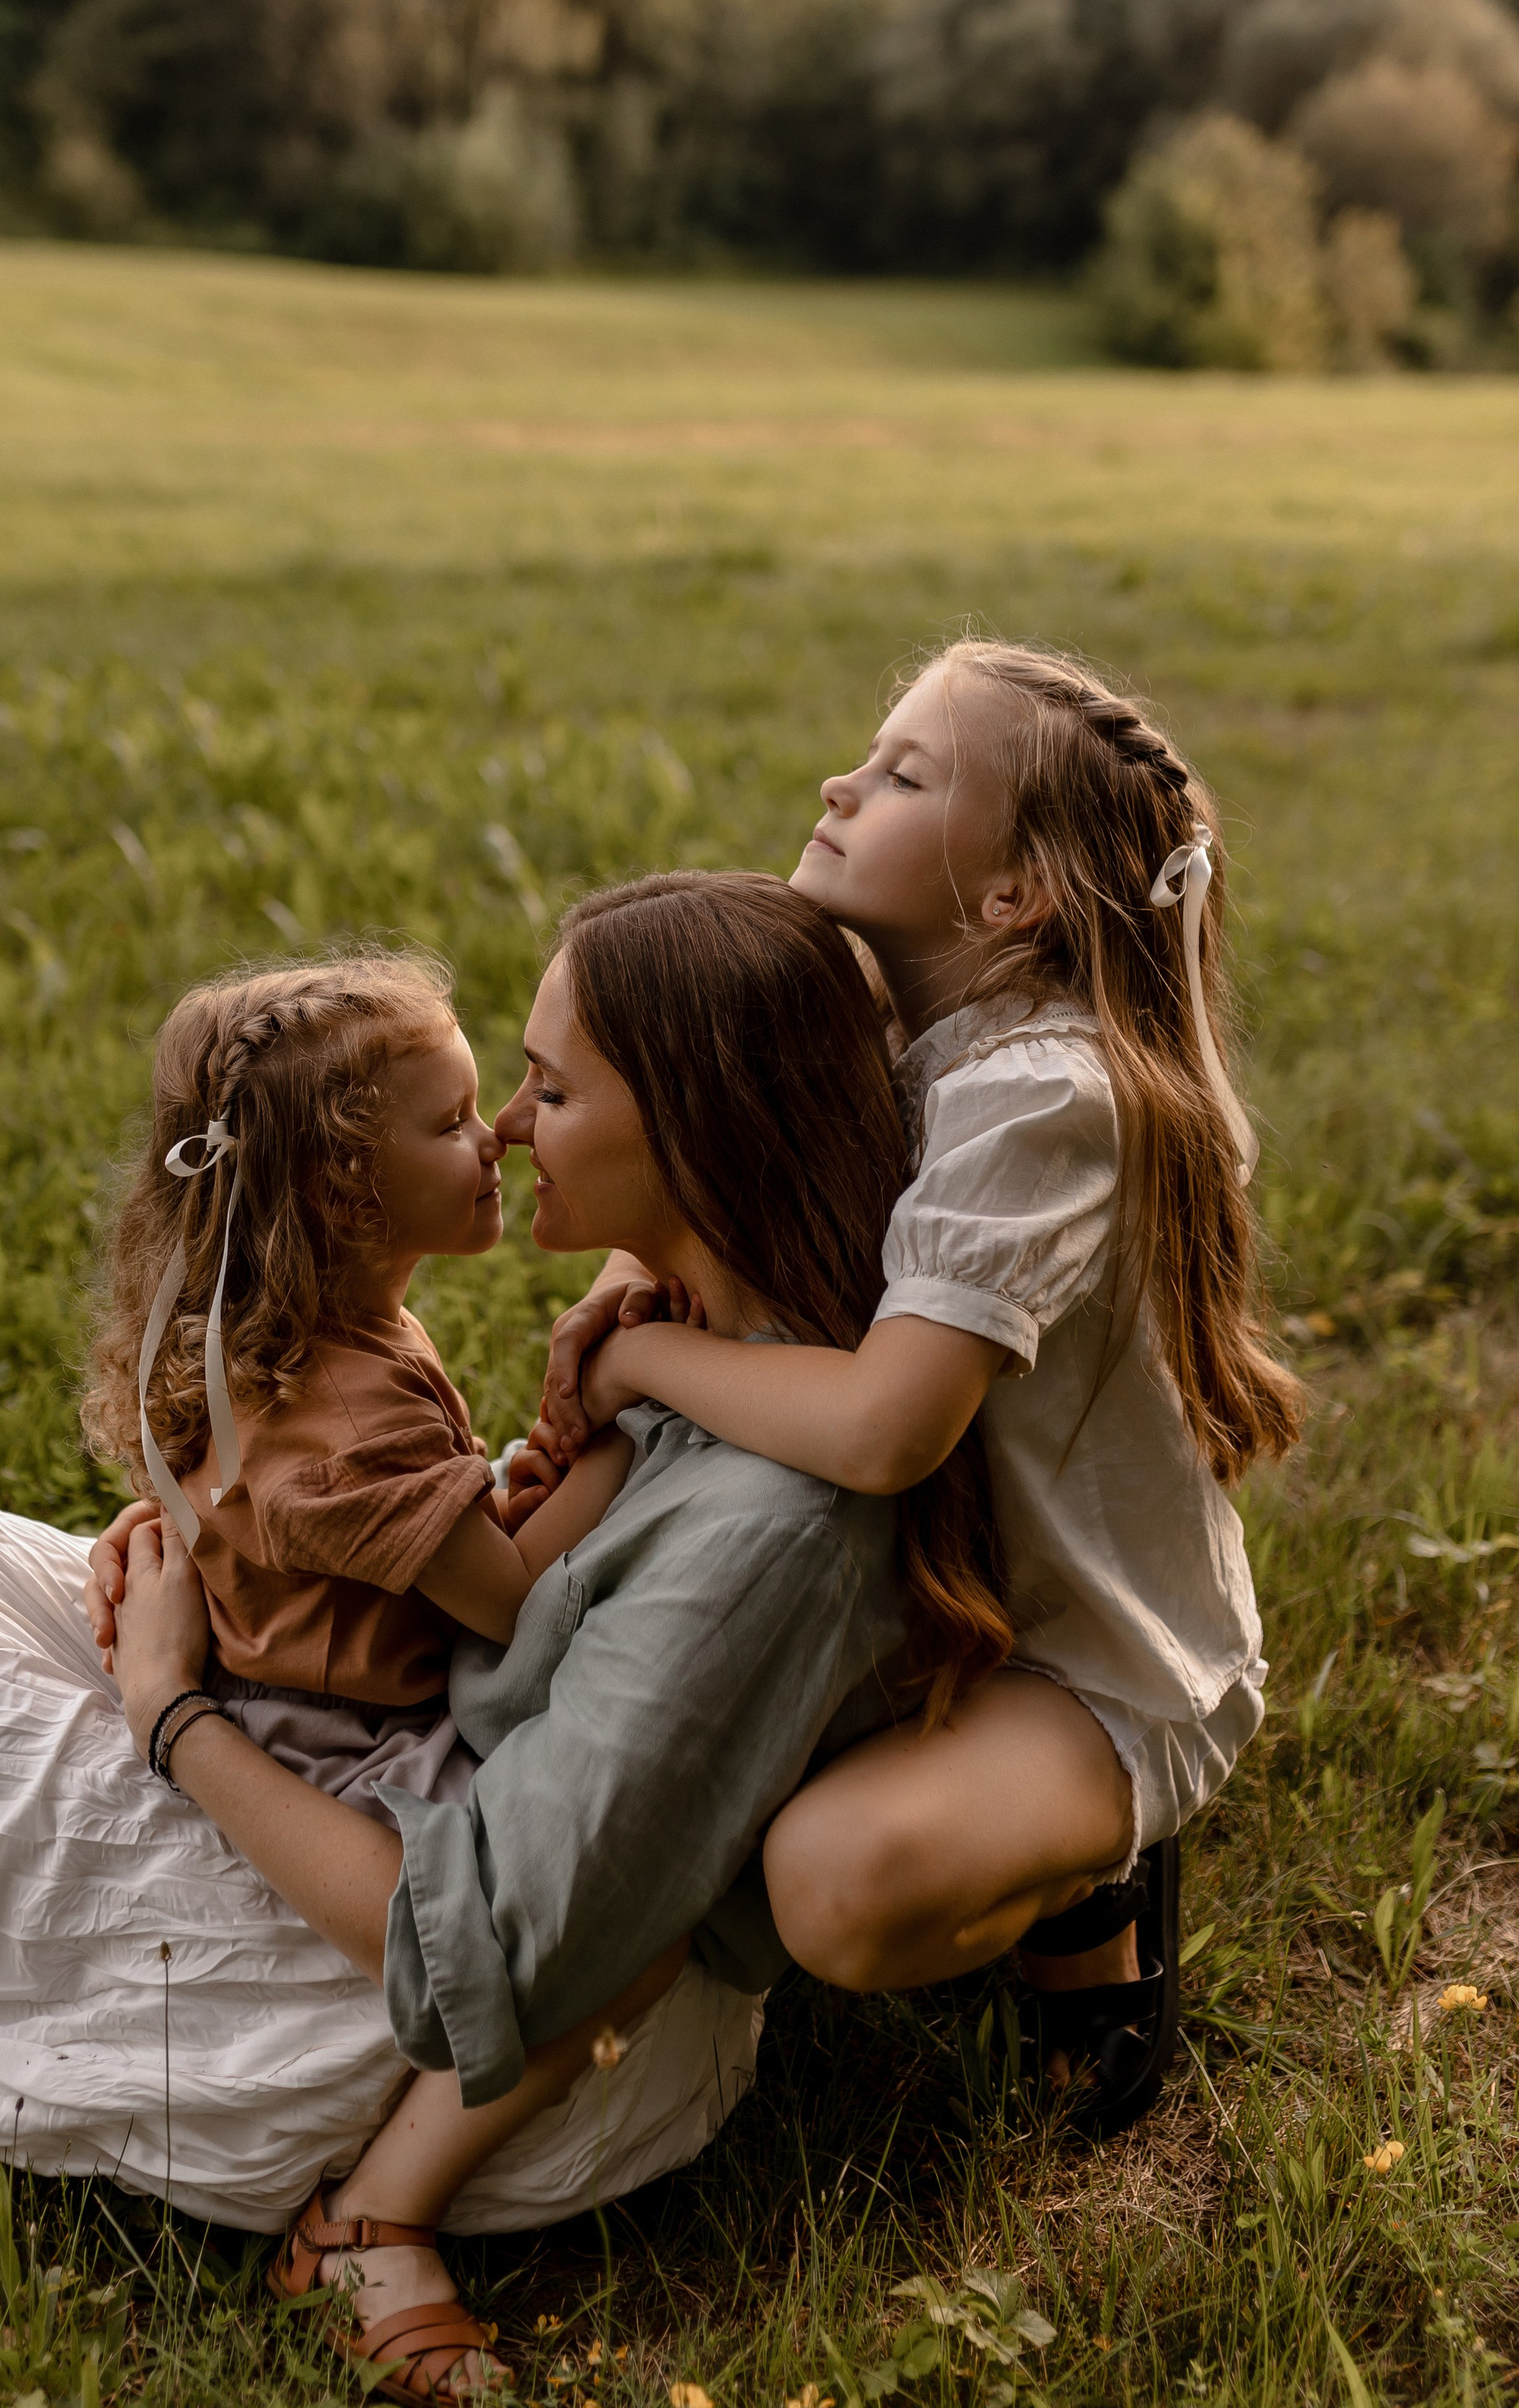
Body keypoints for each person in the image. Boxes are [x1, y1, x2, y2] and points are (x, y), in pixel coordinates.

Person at [91, 870, 1007, 2398]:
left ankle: (371, 2217)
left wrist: (166, 1709)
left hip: (350, 1829)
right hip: (351, 1727)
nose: (510, 1126)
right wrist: (627, 1355)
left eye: (547, 1085)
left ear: (697, 1127)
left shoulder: (770, 1528)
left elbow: (476, 1920)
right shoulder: (712, 1347)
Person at [533, 642, 1304, 2135]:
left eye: (902, 776)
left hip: (1080, 1661)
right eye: (865, 752)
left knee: (827, 1885)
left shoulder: (1043, 1097)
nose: (840, 782)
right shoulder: (863, 1023)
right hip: (907, 1598)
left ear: (1008, 896)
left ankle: (1085, 1880)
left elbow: (888, 1426)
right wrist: (635, 1280)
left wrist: (640, 1358)